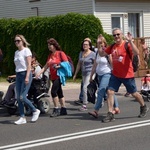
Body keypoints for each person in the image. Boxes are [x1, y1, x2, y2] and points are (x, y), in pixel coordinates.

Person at [98, 28, 149, 123]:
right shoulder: (112, 46)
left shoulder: (126, 44)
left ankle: (143, 106)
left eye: (118, 34)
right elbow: (101, 54)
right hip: (116, 74)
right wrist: (99, 44)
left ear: (121, 35)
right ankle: (110, 114)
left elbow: (137, 52)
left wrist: (130, 41)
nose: (116, 36)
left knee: (134, 93)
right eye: (114, 35)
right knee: (110, 91)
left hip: (127, 75)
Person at [36, 38, 69, 117]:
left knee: (53, 91)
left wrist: (58, 66)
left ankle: (56, 109)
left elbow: (66, 63)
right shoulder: (50, 55)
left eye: (50, 45)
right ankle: (63, 109)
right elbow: (46, 66)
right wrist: (39, 73)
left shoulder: (60, 53)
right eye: (48, 45)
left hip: (59, 76)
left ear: (54, 45)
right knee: (59, 92)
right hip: (53, 77)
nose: (49, 47)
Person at [88, 35, 120, 118]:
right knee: (110, 91)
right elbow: (94, 65)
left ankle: (96, 110)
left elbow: (112, 63)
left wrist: (115, 73)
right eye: (99, 43)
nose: (100, 44)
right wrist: (91, 76)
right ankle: (116, 108)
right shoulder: (97, 53)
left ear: (104, 43)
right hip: (100, 75)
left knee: (101, 91)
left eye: (102, 42)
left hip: (107, 74)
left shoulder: (106, 52)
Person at [13, 34, 40, 125]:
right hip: (18, 75)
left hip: (25, 74)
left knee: (22, 97)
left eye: (18, 41)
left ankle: (35, 110)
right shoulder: (16, 52)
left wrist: (27, 76)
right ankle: (22, 117)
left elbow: (29, 65)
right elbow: (17, 66)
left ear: (22, 41)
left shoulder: (26, 51)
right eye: (15, 41)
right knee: (18, 98)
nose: (16, 42)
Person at [73, 39, 96, 111]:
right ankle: (98, 99)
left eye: (86, 44)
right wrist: (75, 74)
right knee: (89, 88)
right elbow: (79, 64)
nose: (84, 46)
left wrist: (93, 74)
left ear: (89, 46)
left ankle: (84, 104)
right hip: (84, 73)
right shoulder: (81, 53)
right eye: (83, 44)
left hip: (90, 72)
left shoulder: (93, 54)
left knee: (85, 88)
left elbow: (95, 64)